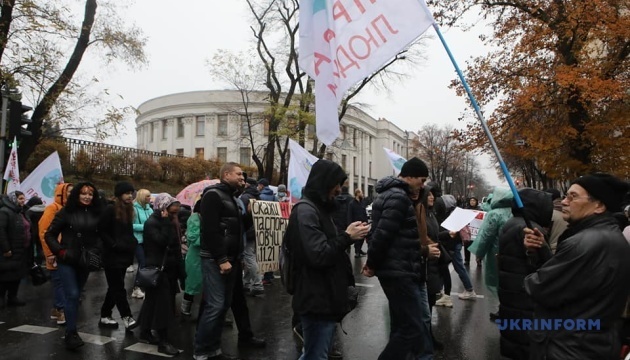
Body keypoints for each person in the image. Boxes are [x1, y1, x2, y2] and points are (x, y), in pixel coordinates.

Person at [524, 174, 630, 359]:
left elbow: (539, 287)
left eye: (573, 197)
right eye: (566, 196)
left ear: (599, 205)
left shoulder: (585, 242)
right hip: (590, 344)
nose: (564, 202)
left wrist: (529, 277)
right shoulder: (608, 235)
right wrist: (542, 249)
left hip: (568, 348)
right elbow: (575, 283)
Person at [286, 159, 369, 360]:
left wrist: (348, 234)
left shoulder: (318, 209)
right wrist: (347, 236)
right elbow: (318, 254)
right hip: (315, 298)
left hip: (324, 296)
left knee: (315, 353)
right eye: (336, 184)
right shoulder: (306, 211)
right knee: (316, 355)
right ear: (325, 183)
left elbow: (326, 243)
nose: (339, 190)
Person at [362, 157, 440, 360]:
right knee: (412, 327)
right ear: (409, 176)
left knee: (402, 324)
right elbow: (382, 236)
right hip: (399, 271)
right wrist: (371, 264)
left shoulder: (392, 195)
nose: (422, 185)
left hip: (399, 269)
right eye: (421, 180)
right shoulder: (398, 198)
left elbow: (382, 234)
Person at [194, 162, 245, 360]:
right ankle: (200, 351)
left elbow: (235, 229)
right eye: (238, 174)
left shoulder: (231, 197)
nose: (242, 177)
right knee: (215, 305)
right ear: (226, 175)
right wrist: (221, 259)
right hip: (216, 260)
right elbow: (210, 231)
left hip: (232, 259)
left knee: (223, 305)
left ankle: (214, 350)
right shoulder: (213, 195)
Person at [45, 182, 103, 350]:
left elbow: (100, 235)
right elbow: (50, 234)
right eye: (83, 193)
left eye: (90, 194)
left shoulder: (96, 213)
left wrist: (97, 251)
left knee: (76, 296)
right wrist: (60, 252)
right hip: (67, 260)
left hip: (85, 261)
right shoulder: (66, 212)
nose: (87, 196)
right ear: (77, 194)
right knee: (72, 293)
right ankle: (71, 332)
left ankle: (71, 329)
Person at [497, 188, 552, 360]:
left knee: (514, 341)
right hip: (526, 301)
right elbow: (548, 267)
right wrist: (540, 248)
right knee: (524, 346)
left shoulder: (511, 222)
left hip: (512, 297)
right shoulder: (529, 229)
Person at [136, 193, 182, 356]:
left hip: (166, 268)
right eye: (171, 209)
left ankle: (145, 332)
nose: (174, 213)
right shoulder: (154, 222)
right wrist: (165, 223)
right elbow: (164, 242)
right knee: (163, 305)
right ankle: (163, 341)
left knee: (151, 301)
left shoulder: (164, 221)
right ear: (163, 208)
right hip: (157, 269)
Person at [98, 181, 138, 330]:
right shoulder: (110, 209)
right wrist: (113, 245)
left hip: (124, 255)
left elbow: (127, 232)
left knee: (114, 287)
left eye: (131, 193)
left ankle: (105, 315)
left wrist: (131, 243)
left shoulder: (128, 210)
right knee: (119, 287)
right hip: (111, 256)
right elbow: (101, 230)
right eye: (127, 193)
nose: (129, 196)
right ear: (119, 194)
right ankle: (126, 316)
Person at [468, 187, 513, 320]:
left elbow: (486, 236)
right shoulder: (514, 212)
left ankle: (503, 310)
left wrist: (479, 253)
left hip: (495, 253)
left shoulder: (494, 214)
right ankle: (509, 310)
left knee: (497, 282)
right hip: (511, 253)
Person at [39, 183, 73, 325]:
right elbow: (44, 232)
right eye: (69, 191)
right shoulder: (52, 209)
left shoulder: (70, 209)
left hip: (66, 252)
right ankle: (60, 310)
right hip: (55, 252)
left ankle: (56, 308)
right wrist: (49, 253)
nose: (72, 194)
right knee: (59, 282)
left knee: (64, 282)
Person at [0, 191, 30, 309]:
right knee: (5, 275)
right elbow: (1, 231)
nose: (23, 201)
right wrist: (6, 248)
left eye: (24, 198)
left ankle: (13, 297)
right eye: (20, 198)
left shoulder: (20, 212)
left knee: (17, 275)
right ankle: (1, 297)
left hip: (21, 250)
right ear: (13, 199)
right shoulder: (4, 212)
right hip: (9, 251)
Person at [239, 177, 264, 296]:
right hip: (256, 230)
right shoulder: (258, 196)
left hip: (247, 231)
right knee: (251, 256)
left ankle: (258, 284)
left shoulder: (245, 197)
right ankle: (247, 283)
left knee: (249, 257)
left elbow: (242, 215)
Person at [181, 197, 202, 316]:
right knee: (192, 283)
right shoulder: (194, 218)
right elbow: (194, 238)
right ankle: (185, 308)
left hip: (204, 256)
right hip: (195, 256)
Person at [131, 188, 152, 299]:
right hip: (137, 240)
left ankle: (142, 285)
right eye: (147, 196)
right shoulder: (133, 209)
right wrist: (145, 227)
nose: (150, 198)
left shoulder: (149, 209)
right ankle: (136, 288)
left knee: (146, 264)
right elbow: (130, 225)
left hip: (148, 240)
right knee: (142, 263)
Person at [257, 177, 277, 285]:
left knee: (262, 251)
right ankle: (270, 274)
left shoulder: (260, 197)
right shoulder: (274, 197)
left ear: (262, 186)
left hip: (261, 227)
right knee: (271, 251)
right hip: (273, 227)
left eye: (259, 185)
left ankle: (263, 276)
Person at [542, 188, 567, 254]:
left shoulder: (549, 214)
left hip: (552, 251)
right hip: (568, 248)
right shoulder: (571, 212)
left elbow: (544, 235)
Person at [25, 196, 46, 266]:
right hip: (43, 232)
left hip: (33, 233)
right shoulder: (47, 210)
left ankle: (35, 264)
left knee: (33, 250)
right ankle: (43, 262)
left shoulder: (30, 212)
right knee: (42, 248)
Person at [347, 188, 368, 257]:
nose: (362, 194)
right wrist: (350, 223)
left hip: (363, 223)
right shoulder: (352, 203)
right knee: (357, 238)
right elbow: (349, 214)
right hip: (356, 223)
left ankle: (359, 250)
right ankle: (357, 252)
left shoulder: (362, 202)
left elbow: (364, 212)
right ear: (357, 193)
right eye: (361, 193)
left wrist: (366, 221)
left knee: (362, 237)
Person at [464, 197, 481, 266]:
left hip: (476, 232)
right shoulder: (466, 209)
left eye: (474, 201)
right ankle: (467, 260)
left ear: (476, 202)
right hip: (468, 231)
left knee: (478, 247)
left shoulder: (480, 210)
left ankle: (479, 260)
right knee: (467, 246)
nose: (472, 202)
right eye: (471, 200)